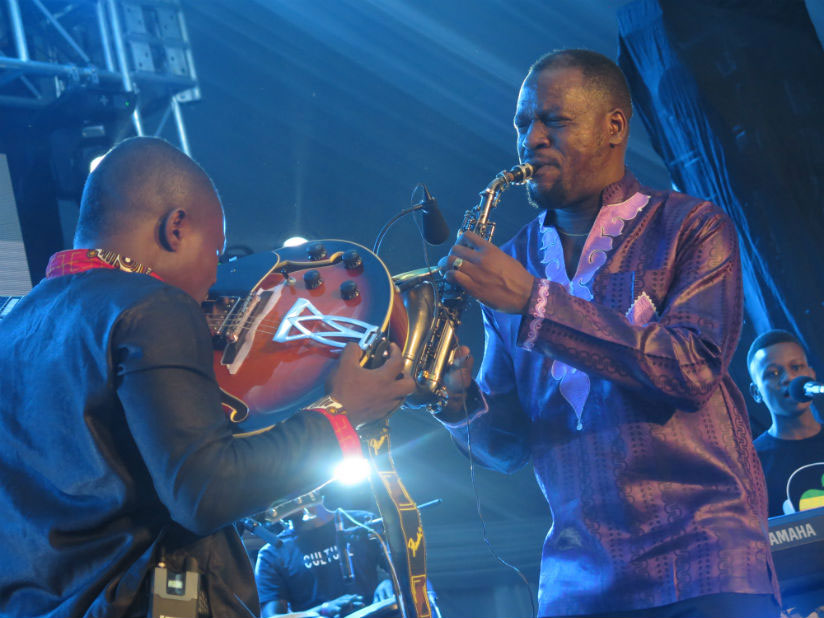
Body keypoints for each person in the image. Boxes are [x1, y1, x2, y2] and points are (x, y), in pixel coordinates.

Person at [0, 136, 415, 617]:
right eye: (216, 253)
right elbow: (204, 492)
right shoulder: (154, 304)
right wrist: (340, 414)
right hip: (157, 605)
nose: (216, 278)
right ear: (175, 227)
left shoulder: (11, 325)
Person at [437, 49, 780, 617]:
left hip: (706, 563)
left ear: (614, 126)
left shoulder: (692, 226)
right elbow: (508, 449)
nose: (532, 139)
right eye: (523, 124)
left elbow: (691, 370)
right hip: (578, 585)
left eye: (554, 121)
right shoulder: (513, 261)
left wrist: (534, 302)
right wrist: (454, 402)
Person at [254, 504, 393, 618]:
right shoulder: (271, 553)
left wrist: (391, 582)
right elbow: (271, 617)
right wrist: (323, 610)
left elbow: (404, 566)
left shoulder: (361, 522)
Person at [748, 329, 824, 517]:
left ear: (811, 375)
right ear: (756, 392)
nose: (788, 378)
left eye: (796, 367)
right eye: (773, 373)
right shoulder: (750, 463)